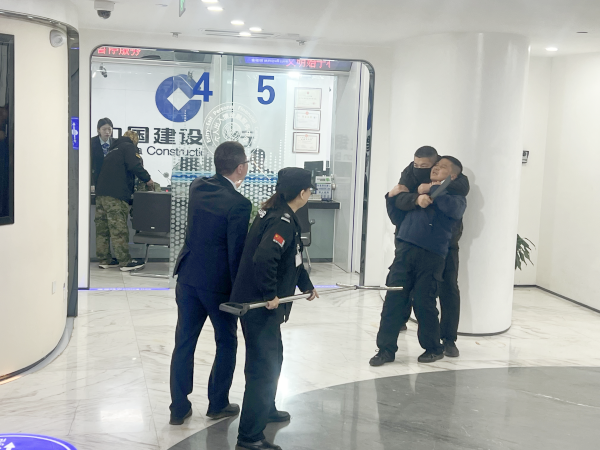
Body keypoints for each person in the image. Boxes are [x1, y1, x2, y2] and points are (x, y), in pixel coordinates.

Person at [232, 167, 319, 450]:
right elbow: (265, 258)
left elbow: (292, 257)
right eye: (309, 189)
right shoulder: (281, 220)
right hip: (259, 306)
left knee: (273, 358)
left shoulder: (281, 214)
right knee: (263, 368)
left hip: (263, 306)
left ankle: (266, 408)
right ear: (303, 192)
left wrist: (306, 285)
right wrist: (270, 293)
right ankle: (249, 437)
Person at [169, 141, 252, 426]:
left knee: (184, 342)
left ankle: (178, 408)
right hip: (218, 285)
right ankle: (218, 403)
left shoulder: (198, 186)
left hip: (188, 277)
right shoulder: (239, 204)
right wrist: (241, 293)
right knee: (226, 341)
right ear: (240, 168)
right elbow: (236, 252)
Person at [371, 156, 467, 365]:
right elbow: (397, 217)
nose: (435, 168)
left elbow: (454, 210)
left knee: (425, 303)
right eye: (436, 165)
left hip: (432, 255)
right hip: (405, 251)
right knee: (393, 300)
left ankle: (433, 348)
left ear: (453, 176)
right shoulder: (418, 191)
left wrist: (433, 190)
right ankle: (385, 350)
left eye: (442, 167)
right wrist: (391, 198)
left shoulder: (455, 198)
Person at [95, 130, 154, 271]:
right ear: (134, 140)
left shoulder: (112, 150)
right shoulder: (128, 147)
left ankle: (105, 260)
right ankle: (125, 262)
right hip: (116, 195)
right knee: (118, 230)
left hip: (101, 194)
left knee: (102, 230)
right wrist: (148, 179)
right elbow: (135, 166)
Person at [91, 118, 114, 189]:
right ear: (98, 130)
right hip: (96, 178)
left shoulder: (116, 143)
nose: (107, 132)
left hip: (112, 179)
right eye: (104, 129)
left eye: (109, 129)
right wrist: (91, 183)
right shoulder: (91, 142)